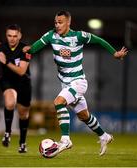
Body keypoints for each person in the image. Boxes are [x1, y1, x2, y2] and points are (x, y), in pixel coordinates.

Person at [23, 11, 128, 156]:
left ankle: (65, 140)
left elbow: (99, 40)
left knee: (59, 102)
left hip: (78, 82)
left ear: (68, 23)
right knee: (84, 116)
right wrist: (25, 49)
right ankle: (104, 136)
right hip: (65, 84)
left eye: (60, 22)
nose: (57, 25)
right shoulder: (50, 36)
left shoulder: (78, 36)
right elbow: (33, 48)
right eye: (55, 22)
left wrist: (114, 53)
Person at [0, 24, 32, 153]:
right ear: (6, 35)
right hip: (7, 81)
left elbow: (21, 71)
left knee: (23, 114)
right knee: (10, 103)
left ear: (19, 36)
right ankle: (7, 132)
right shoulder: (0, 47)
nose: (12, 39)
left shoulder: (25, 49)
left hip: (23, 82)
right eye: (9, 35)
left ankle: (22, 143)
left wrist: (6, 61)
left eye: (14, 36)